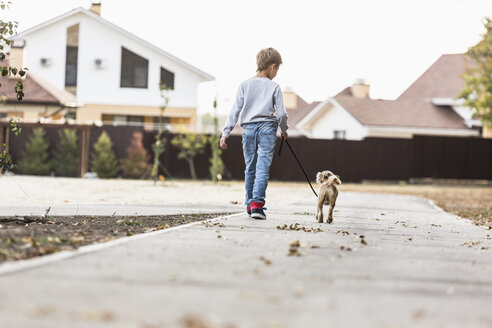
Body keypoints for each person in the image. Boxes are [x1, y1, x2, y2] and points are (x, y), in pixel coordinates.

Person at [220, 47, 288, 220]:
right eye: (277, 69)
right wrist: (284, 130)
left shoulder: (245, 84)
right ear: (273, 66)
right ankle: (257, 204)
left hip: (248, 129)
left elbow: (235, 110)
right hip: (267, 129)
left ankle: (250, 204)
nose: (276, 73)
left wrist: (225, 133)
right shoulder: (274, 87)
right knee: (262, 167)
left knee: (250, 167)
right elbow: (281, 114)